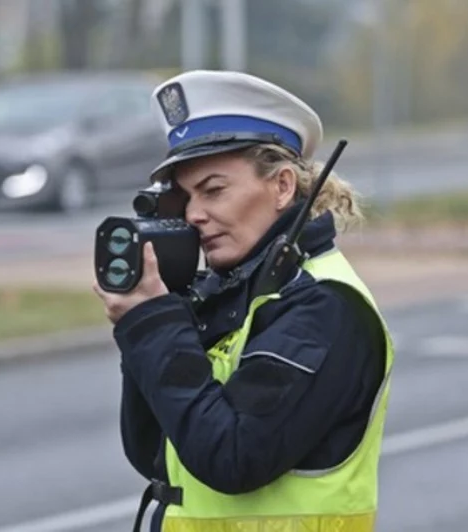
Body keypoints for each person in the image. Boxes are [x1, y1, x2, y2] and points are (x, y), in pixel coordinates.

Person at [92, 70, 396, 532]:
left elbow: (232, 457)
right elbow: (154, 451)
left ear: (282, 186)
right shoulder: (232, 291)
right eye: (186, 196)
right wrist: (154, 313)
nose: (194, 214)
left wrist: (155, 325)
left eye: (214, 190)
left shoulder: (325, 306)